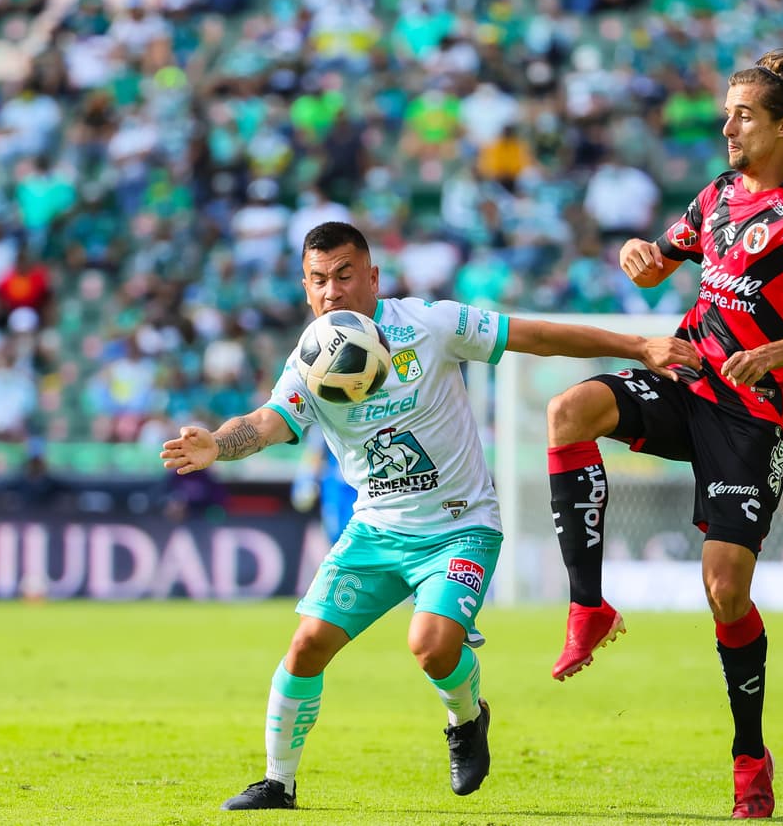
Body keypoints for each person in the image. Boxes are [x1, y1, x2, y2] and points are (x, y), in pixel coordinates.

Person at [160, 221, 679, 811]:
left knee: (430, 645)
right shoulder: (309, 362)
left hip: (461, 526)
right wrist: (218, 444)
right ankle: (278, 783)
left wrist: (638, 347)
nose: (332, 291)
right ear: (305, 290)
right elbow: (263, 423)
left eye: (345, 275)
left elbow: (532, 334)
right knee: (305, 646)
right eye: (318, 280)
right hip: (376, 530)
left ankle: (467, 720)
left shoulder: (429, 325)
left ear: (373, 277)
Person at [544, 49, 783, 819]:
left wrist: (772, 354)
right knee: (568, 411)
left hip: (750, 415)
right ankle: (588, 607)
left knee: (725, 590)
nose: (728, 127)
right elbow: (656, 266)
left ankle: (750, 755)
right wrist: (636, 256)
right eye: (726, 114)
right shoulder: (716, 196)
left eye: (744, 115)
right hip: (690, 377)